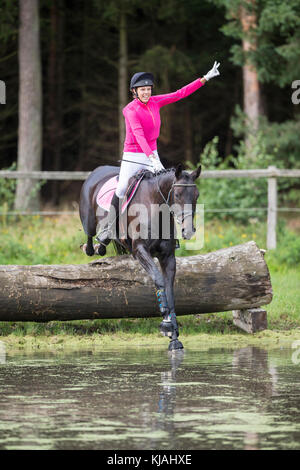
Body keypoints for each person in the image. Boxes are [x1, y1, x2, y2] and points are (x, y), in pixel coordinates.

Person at [97, 61, 220, 252]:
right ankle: (108, 229)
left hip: (151, 153)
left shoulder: (156, 101)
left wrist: (204, 79)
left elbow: (180, 93)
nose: (146, 92)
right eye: (142, 90)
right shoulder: (129, 110)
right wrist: (150, 157)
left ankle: (169, 236)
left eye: (148, 89)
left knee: (166, 188)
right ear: (134, 92)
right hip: (133, 155)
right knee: (121, 188)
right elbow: (138, 134)